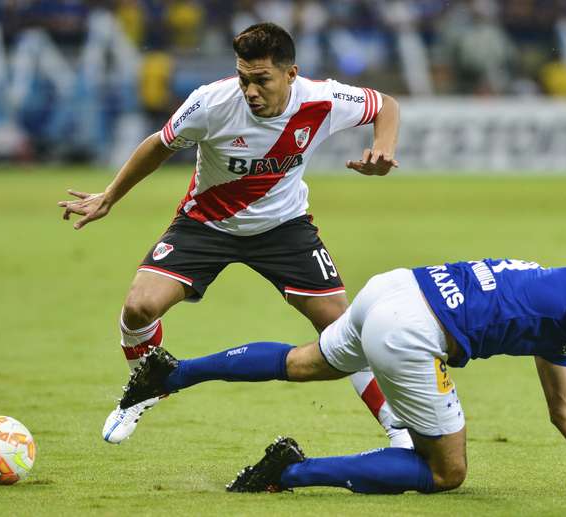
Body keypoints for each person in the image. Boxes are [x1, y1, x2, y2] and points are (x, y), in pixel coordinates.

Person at [57, 22, 406, 446]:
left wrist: (384, 148)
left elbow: (385, 105)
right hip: (206, 222)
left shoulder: (323, 99)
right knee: (138, 307)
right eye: (244, 78)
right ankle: (145, 386)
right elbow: (158, 144)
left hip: (284, 227)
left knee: (344, 329)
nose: (250, 90)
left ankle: (399, 431)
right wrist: (111, 196)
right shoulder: (210, 102)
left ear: (291, 75)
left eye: (261, 80)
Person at [118, 259, 566, 499]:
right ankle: (286, 473)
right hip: (414, 328)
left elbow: (562, 412)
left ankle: (173, 373)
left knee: (302, 361)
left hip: (394, 288)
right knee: (448, 471)